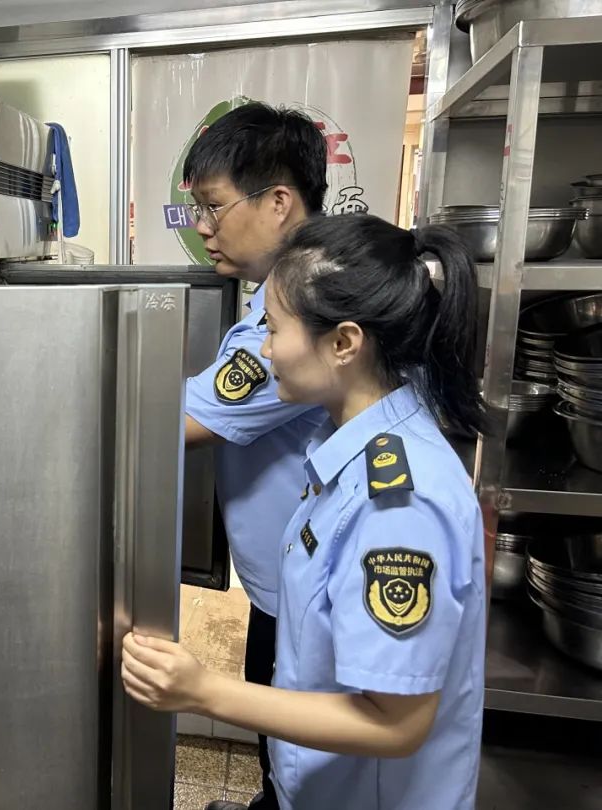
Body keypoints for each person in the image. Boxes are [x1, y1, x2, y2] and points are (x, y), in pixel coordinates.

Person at [123, 214, 487, 810]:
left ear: (344, 343)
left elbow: (396, 724)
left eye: (274, 328)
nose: (265, 349)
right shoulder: (345, 443)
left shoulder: (400, 504)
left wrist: (202, 691)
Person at [182, 102, 328, 810]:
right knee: (283, 745)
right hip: (284, 579)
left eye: (214, 206)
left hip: (304, 592)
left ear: (277, 202)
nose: (203, 227)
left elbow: (186, 420)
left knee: (297, 745)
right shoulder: (288, 290)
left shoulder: (308, 311)